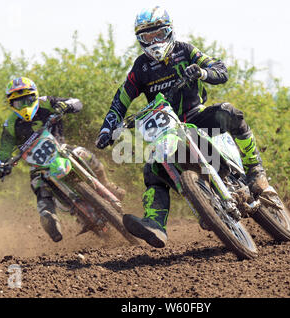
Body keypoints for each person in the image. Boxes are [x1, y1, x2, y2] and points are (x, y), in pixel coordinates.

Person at [95, 6, 269, 248]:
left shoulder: (184, 50)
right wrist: (107, 129)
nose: (154, 41)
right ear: (139, 40)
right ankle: (155, 223)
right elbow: (120, 100)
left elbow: (221, 70)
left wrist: (202, 72)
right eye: (147, 37)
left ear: (169, 31)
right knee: (152, 171)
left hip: (196, 116)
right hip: (166, 130)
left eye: (158, 34)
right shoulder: (140, 68)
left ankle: (254, 168)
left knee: (230, 112)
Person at [0, 77, 125, 242]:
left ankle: (106, 184)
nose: (24, 105)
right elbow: (4, 151)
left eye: (27, 99)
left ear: (34, 96)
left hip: (62, 150)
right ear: (11, 104)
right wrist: (1, 166)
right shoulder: (10, 124)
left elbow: (77, 102)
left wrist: (66, 105)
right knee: (38, 186)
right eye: (18, 103)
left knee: (83, 153)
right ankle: (49, 218)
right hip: (39, 167)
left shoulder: (47, 102)